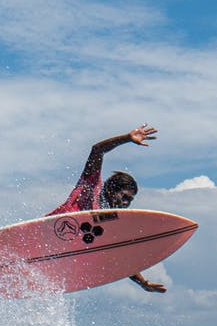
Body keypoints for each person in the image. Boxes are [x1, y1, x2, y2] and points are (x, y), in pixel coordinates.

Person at [48, 124, 167, 293]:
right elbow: (97, 150)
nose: (126, 203)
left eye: (130, 200)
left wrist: (143, 282)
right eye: (124, 196)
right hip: (53, 229)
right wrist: (126, 138)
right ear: (111, 189)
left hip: (66, 248)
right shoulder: (92, 188)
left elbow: (118, 254)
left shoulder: (110, 222)